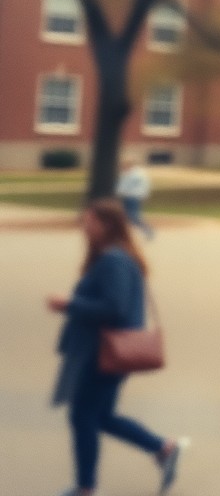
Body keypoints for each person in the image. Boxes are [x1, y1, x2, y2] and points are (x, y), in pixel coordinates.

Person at [47, 199, 187, 496]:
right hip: (109, 353)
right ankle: (164, 448)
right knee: (101, 416)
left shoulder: (114, 260)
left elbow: (115, 308)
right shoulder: (115, 257)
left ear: (107, 225)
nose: (84, 228)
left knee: (83, 416)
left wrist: (69, 303)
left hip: (104, 353)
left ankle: (85, 487)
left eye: (89, 223)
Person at [115, 159, 154, 241]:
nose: (121, 167)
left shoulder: (136, 174)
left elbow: (125, 187)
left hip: (133, 197)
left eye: (123, 165)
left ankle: (148, 231)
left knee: (133, 216)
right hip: (126, 197)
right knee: (123, 217)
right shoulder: (127, 173)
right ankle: (123, 236)